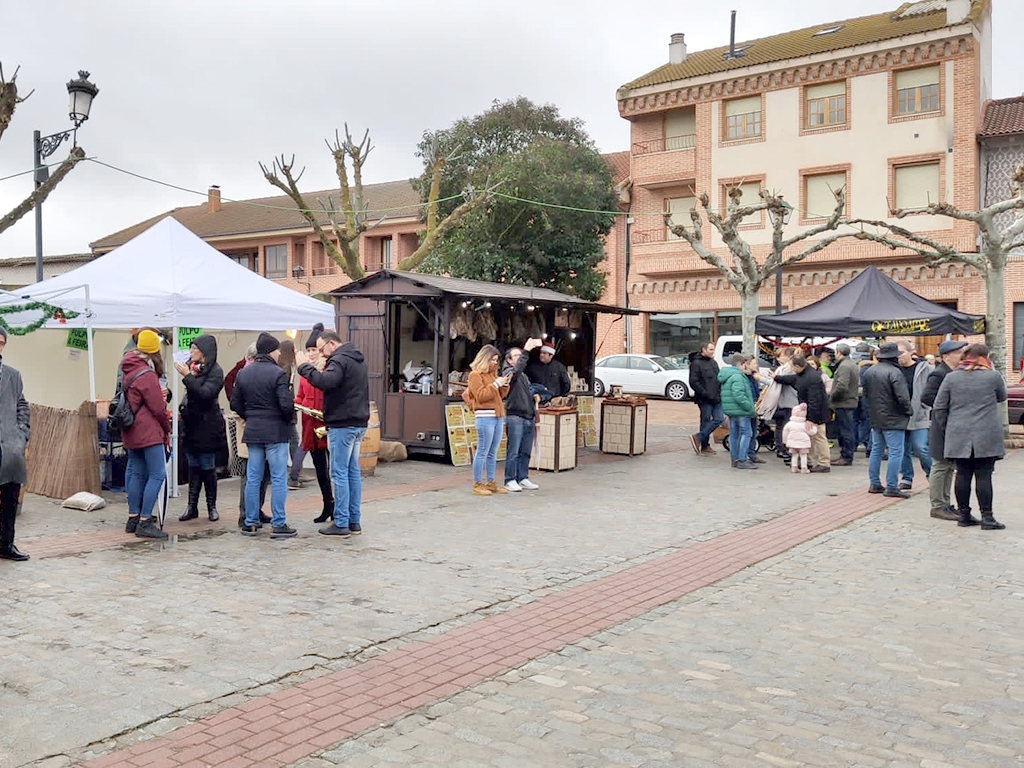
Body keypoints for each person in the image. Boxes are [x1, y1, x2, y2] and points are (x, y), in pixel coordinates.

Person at [296, 330, 370, 536]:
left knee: (338, 473)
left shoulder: (339, 361)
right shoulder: (357, 359)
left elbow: (326, 382)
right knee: (352, 472)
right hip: (358, 422)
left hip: (342, 424)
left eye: (321, 349)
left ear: (332, 344)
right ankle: (354, 520)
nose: (321, 353)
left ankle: (341, 522)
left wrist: (303, 367)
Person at [931, 343, 1006, 530]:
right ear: (985, 357)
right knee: (984, 475)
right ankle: (987, 518)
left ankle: (964, 515)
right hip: (986, 433)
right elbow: (1001, 396)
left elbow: (939, 407)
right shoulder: (993, 376)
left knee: (962, 474)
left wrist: (949, 427)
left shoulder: (951, 377)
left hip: (958, 433)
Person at [230, 332, 297, 538]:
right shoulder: (277, 374)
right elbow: (287, 405)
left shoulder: (244, 373)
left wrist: (250, 417)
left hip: (253, 432)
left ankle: (250, 522)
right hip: (275, 432)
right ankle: (278, 524)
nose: (279, 354)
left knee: (253, 478)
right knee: (277, 478)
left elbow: (235, 404)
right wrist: (284, 419)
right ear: (270, 351)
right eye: (277, 350)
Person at [120, 330, 171, 539]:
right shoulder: (147, 374)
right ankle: (145, 520)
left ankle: (132, 517)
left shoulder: (128, 366)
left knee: (135, 472)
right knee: (158, 473)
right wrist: (166, 428)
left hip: (131, 427)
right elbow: (158, 408)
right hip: (148, 429)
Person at [175, 334, 224, 523]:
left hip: (208, 427)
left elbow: (205, 394)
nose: (191, 352)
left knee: (207, 467)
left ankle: (211, 506)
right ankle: (191, 506)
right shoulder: (192, 368)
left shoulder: (215, 371)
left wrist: (187, 376)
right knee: (193, 467)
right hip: (191, 426)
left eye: (195, 348)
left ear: (205, 352)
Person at [921, 339, 966, 521]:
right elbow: (927, 397)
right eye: (958, 352)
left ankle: (945, 504)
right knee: (940, 465)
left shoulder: (953, 373)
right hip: (941, 425)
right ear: (946, 355)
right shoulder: (939, 374)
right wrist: (946, 408)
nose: (962, 355)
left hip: (951, 425)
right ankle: (937, 505)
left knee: (948, 466)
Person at [295, 325, 334, 524]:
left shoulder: (328, 370)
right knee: (320, 469)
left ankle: (337, 505)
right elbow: (300, 396)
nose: (311, 354)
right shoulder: (303, 373)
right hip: (311, 424)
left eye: (314, 350)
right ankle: (327, 504)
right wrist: (293, 404)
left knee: (334, 469)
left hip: (328, 423)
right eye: (308, 350)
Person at [862, 342, 912, 498]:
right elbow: (902, 397)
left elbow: (866, 394)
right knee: (896, 451)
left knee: (876, 450)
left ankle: (875, 483)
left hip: (876, 416)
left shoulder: (869, 372)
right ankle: (891, 485)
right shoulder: (895, 372)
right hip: (894, 417)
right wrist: (908, 411)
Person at [231, 343, 271, 529]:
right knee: (250, 475)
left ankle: (256, 510)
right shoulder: (244, 374)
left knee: (263, 474)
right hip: (248, 430)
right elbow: (235, 403)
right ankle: (246, 513)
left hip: (256, 429)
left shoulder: (250, 372)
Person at [0, 328, 31, 561]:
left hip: (9, 446)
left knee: (10, 497)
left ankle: (6, 544)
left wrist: (22, 432)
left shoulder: (13, 375)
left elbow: (22, 404)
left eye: (1, 343)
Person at [463, 344, 510, 494]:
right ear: (485, 359)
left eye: (497, 360)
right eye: (493, 360)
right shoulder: (475, 375)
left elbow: (499, 396)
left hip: (497, 416)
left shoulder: (492, 375)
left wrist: (505, 384)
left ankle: (490, 482)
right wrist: (496, 384)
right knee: (482, 450)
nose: (495, 363)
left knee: (492, 451)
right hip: (485, 417)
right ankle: (477, 483)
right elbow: (482, 396)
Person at [772, 352, 830, 472]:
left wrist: (811, 419)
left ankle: (824, 463)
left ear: (798, 366)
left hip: (817, 413)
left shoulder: (812, 378)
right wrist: (776, 377)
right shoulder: (804, 373)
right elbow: (792, 379)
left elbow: (815, 400)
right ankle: (808, 462)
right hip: (809, 412)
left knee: (819, 437)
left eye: (793, 367)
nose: (792, 370)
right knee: (809, 438)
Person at [504, 338, 544, 492]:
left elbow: (527, 390)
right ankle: (509, 479)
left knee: (525, 450)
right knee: (513, 450)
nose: (520, 358)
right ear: (509, 360)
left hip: (527, 415)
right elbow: (517, 370)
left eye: (521, 355)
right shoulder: (508, 373)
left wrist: (535, 396)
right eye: (516, 356)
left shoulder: (524, 376)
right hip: (515, 416)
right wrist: (526, 350)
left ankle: (522, 477)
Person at [896, 341, 933, 491]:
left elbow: (931, 389)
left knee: (920, 447)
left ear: (912, 352)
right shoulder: (894, 369)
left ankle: (932, 474)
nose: (899, 357)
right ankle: (906, 477)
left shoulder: (926, 369)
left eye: (902, 353)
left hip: (919, 414)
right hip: (899, 415)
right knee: (902, 449)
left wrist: (926, 406)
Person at [718, 353, 758, 470]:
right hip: (741, 410)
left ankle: (734, 459)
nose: (746, 367)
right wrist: (750, 408)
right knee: (747, 433)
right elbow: (738, 394)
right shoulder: (738, 376)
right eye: (745, 364)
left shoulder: (727, 375)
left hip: (731, 410)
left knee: (734, 434)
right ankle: (742, 459)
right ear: (741, 364)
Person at [278, 339, 305, 490]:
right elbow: (287, 392)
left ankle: (295, 474)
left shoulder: (281, 366)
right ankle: (294, 475)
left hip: (284, 413)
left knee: (290, 441)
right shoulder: (287, 368)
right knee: (294, 441)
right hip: (287, 413)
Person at [689, 341, 723, 456]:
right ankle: (704, 445)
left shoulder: (713, 362)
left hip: (717, 398)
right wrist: (705, 393)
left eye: (713, 349)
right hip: (704, 399)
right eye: (711, 349)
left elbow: (718, 378)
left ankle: (698, 437)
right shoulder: (696, 363)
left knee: (719, 418)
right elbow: (693, 382)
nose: (713, 352)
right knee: (705, 420)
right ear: (703, 350)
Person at [829, 343, 860, 466]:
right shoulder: (850, 364)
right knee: (846, 429)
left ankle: (846, 456)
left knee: (845, 431)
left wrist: (832, 397)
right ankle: (845, 454)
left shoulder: (845, 366)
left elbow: (842, 386)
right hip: (848, 401)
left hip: (844, 402)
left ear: (839, 353)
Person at [772, 347, 799, 462]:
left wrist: (762, 378)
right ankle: (782, 448)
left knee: (784, 426)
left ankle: (783, 448)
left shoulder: (788, 370)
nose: (778, 358)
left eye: (781, 355)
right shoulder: (783, 369)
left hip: (789, 402)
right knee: (782, 426)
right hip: (785, 402)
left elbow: (779, 382)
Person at [742, 357, 767, 464]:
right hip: (748, 406)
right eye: (754, 363)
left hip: (754, 406)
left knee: (753, 431)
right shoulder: (744, 377)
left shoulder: (753, 376)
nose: (756, 365)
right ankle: (745, 455)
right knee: (747, 432)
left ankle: (752, 454)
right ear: (746, 365)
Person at [783, 403, 816, 474]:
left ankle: (794, 468)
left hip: (792, 443)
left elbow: (785, 433)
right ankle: (804, 468)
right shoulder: (804, 424)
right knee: (803, 456)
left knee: (794, 456)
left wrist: (785, 441)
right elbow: (812, 432)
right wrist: (814, 427)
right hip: (803, 443)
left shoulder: (789, 424)